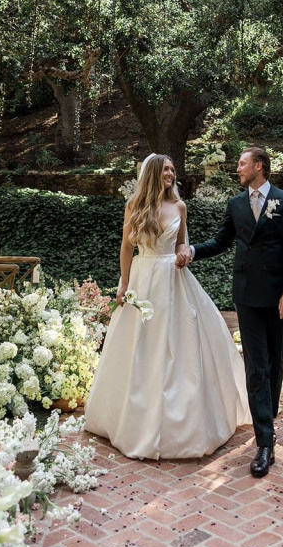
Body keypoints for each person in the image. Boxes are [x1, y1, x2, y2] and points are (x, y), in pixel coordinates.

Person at [84, 153, 251, 460]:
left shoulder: (180, 206)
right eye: (165, 170)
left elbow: (181, 246)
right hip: (144, 279)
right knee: (140, 346)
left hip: (173, 280)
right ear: (152, 174)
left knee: (180, 346)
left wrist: (184, 255)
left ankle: (186, 425)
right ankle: (133, 419)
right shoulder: (134, 206)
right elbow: (126, 247)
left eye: (173, 169)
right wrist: (123, 283)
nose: (171, 174)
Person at [176, 146, 283, 477]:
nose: (238, 168)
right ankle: (265, 442)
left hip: (278, 298)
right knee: (256, 366)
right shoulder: (235, 204)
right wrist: (191, 250)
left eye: (242, 163)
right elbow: (220, 242)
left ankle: (267, 416)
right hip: (247, 296)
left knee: (276, 361)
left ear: (259, 166)